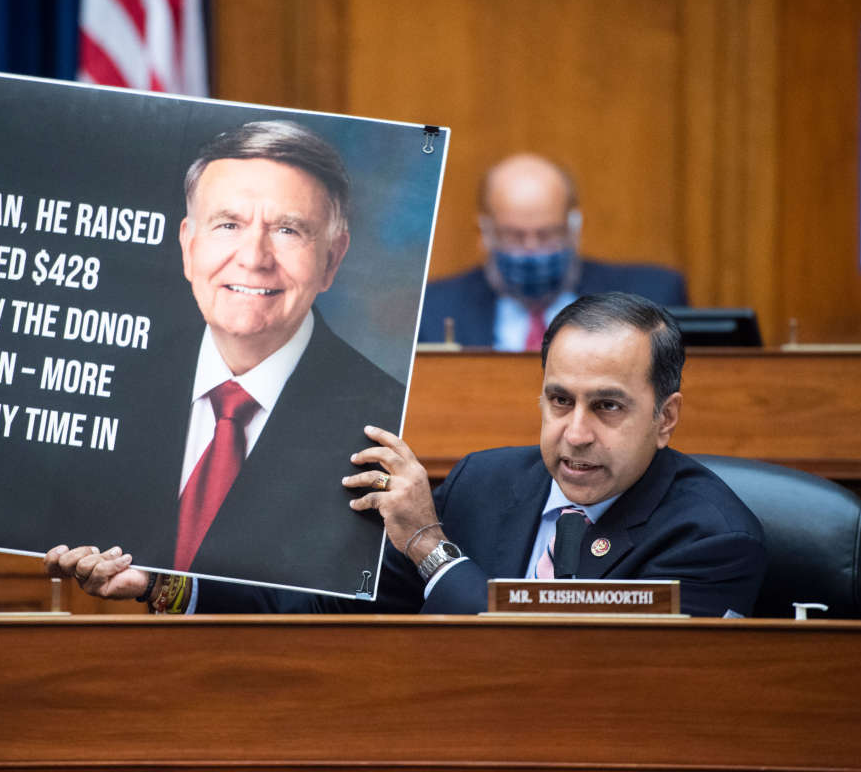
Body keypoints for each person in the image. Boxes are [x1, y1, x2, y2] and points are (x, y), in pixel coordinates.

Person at [47, 292, 767, 618]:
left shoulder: (709, 539)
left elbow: (555, 670)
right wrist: (166, 585)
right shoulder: (489, 481)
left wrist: (429, 545)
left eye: (607, 407)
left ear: (665, 418)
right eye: (558, 401)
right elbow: (329, 603)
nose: (575, 433)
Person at [49, 120, 403, 598]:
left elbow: (340, 606)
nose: (254, 257)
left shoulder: (383, 421)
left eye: (287, 229)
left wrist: (163, 590)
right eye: (228, 225)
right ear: (188, 247)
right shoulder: (105, 388)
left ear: (332, 260)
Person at [418, 154, 688, 350]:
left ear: (574, 228)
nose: (532, 249)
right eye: (514, 236)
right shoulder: (427, 310)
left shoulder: (650, 298)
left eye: (547, 234)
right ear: (484, 234)